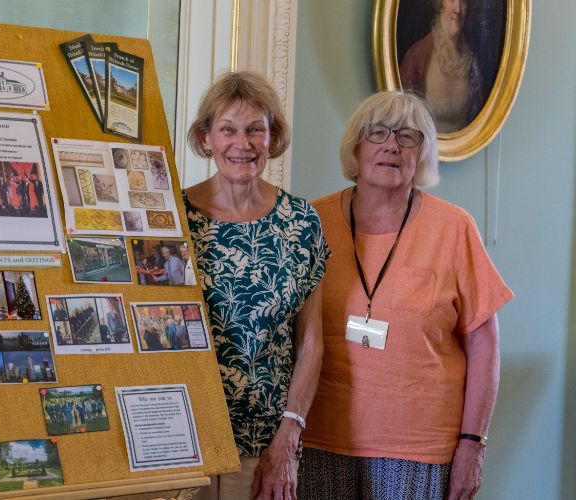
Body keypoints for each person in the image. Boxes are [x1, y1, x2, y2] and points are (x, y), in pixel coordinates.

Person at [297, 91, 513, 500]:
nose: (391, 145)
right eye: (377, 133)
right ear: (356, 147)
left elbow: (485, 342)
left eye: (408, 137)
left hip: (420, 451)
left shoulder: (453, 228)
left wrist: (473, 443)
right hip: (319, 438)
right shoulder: (311, 222)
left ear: (423, 153)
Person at [184, 71, 328, 500]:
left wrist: (288, 439)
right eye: (227, 129)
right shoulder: (171, 217)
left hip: (266, 446)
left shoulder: (302, 223)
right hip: (182, 437)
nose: (241, 144)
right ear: (206, 138)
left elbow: (311, 344)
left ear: (273, 138)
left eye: (255, 130)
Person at [399, 0, 485, 132]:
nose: (458, 9)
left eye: (464, 2)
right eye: (452, 0)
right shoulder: (417, 55)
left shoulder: (471, 62)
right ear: (440, 3)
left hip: (465, 148)